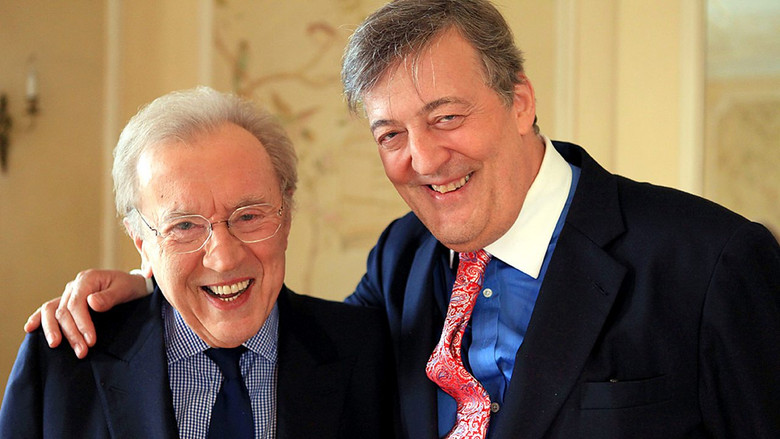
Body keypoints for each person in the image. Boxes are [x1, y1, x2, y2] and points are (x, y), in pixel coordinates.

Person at [22, 0, 780, 437]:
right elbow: (293, 331)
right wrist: (156, 278)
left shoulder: (712, 262)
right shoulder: (403, 256)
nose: (423, 158)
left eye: (446, 116)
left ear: (520, 100)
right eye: (391, 134)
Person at [0, 87, 395, 438]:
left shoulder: (368, 351)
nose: (224, 258)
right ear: (141, 242)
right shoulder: (60, 362)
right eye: (184, 226)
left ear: (286, 217)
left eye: (249, 216)